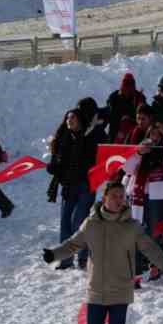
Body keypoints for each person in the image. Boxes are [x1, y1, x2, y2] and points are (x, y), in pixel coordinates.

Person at [43, 181, 163, 324]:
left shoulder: (132, 226)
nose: (119, 200)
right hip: (96, 284)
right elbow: (73, 244)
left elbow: (149, 247)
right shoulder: (91, 224)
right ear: (104, 198)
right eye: (114, 196)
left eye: (122, 196)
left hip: (121, 284)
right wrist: (54, 254)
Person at [47, 108, 97, 267]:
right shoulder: (63, 139)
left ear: (80, 120)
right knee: (65, 223)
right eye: (68, 118)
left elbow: (94, 161)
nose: (69, 120)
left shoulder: (89, 137)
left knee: (79, 221)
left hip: (85, 186)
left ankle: (83, 258)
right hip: (68, 186)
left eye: (73, 117)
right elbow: (58, 162)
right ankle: (65, 259)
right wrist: (53, 167)